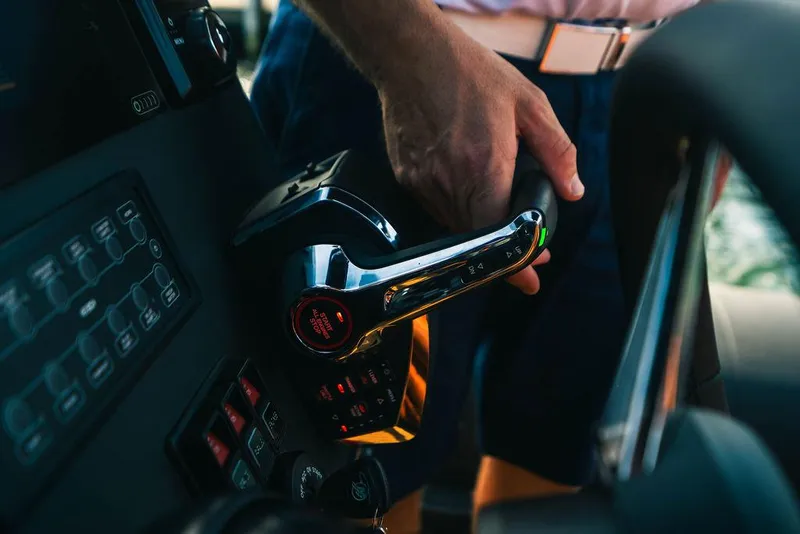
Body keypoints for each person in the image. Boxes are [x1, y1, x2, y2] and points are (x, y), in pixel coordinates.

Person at [249, 0, 726, 522]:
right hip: (400, 59)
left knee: (558, 461)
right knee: (352, 477)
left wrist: (722, 67)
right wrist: (411, 56)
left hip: (640, 92)